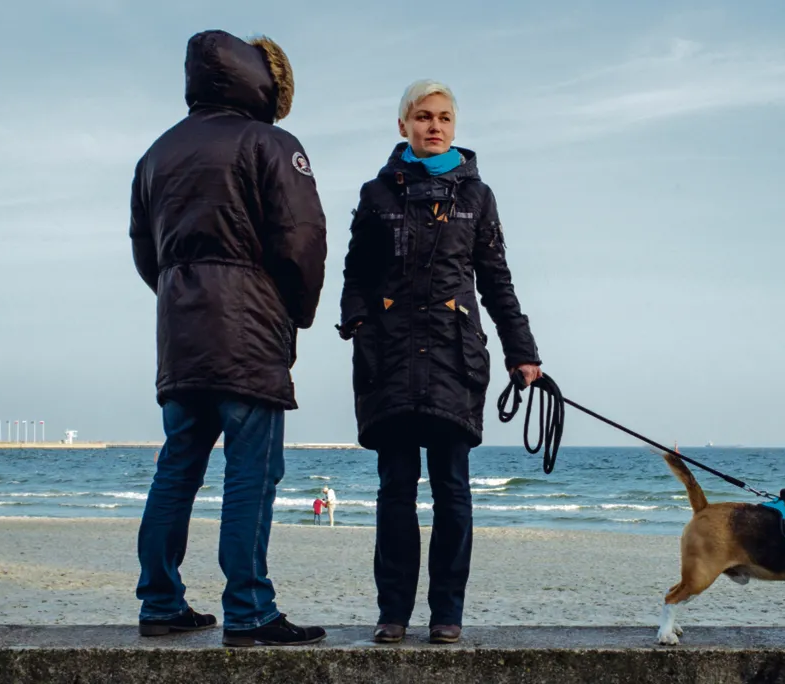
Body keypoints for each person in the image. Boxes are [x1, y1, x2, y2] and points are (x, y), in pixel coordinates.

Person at [130, 29, 328, 648]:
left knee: (177, 468)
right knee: (251, 470)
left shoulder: (157, 153)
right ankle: (249, 610)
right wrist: (295, 311)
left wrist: (180, 294)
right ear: (266, 85)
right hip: (247, 332)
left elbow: (145, 253)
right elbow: (302, 240)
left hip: (181, 333)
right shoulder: (270, 143)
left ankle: (160, 602)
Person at [337, 79, 542, 645]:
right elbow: (356, 271)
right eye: (423, 116)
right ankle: (393, 614)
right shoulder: (376, 193)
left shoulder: (478, 197)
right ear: (403, 125)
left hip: (455, 357)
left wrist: (521, 352)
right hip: (391, 359)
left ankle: (447, 613)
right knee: (395, 489)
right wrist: (357, 319)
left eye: (445, 118)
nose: (435, 126)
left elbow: (497, 281)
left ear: (455, 126)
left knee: (453, 488)